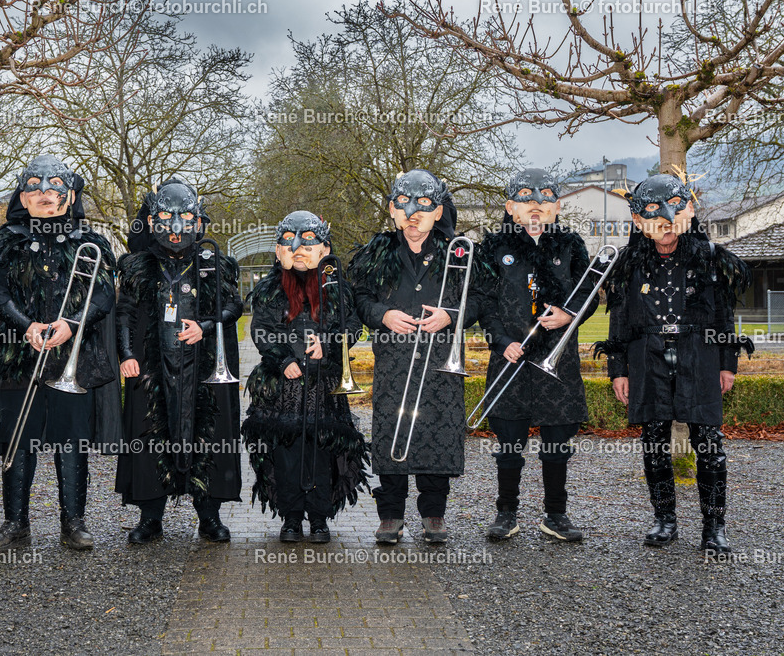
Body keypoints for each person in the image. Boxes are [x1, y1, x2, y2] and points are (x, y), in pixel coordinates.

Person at [595, 173, 752, 554]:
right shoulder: (628, 263)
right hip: (646, 355)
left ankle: (714, 527)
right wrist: (618, 369)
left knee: (709, 444)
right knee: (653, 442)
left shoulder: (710, 257)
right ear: (638, 221)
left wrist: (727, 364)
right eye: (653, 214)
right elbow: (619, 320)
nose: (665, 222)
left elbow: (724, 316)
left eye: (674, 211)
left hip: (699, 353)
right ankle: (664, 520)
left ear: (690, 210)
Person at [0, 154, 119, 553]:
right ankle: (15, 523)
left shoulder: (91, 243)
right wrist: (27, 325)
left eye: (54, 187)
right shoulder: (4, 240)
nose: (44, 193)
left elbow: (104, 295)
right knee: (18, 439)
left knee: (71, 439)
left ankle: (73, 522)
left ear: (69, 196)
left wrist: (72, 323)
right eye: (34, 187)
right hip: (18, 357)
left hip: (72, 356)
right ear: (23, 196)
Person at [349, 169, 482, 544]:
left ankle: (433, 515)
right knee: (390, 432)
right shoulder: (376, 253)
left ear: (438, 212)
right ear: (392, 209)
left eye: (423, 205)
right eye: (404, 205)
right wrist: (383, 315)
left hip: (441, 362)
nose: (413, 214)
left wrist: (451, 316)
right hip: (394, 361)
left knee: (437, 433)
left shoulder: (459, 252)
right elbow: (360, 298)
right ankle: (390, 516)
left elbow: (481, 299)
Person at [115, 178, 243, 543]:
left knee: (209, 436)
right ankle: (150, 518)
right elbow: (124, 312)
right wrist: (126, 353)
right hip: (151, 367)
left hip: (204, 367)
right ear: (152, 221)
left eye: (185, 217)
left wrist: (206, 326)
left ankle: (209, 517)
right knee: (149, 436)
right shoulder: (137, 265)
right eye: (166, 218)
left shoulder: (214, 262)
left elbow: (234, 305)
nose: (175, 227)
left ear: (198, 221)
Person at [476, 168, 598, 543]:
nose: (536, 205)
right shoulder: (493, 247)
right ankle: (506, 513)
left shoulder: (571, 244)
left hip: (557, 360)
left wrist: (569, 313)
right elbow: (483, 302)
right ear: (510, 207)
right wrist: (501, 341)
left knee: (557, 445)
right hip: (510, 357)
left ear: (557, 207)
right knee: (509, 445)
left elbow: (589, 290)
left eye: (545, 198)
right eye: (526, 198)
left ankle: (556, 515)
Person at [242, 211, 369, 543]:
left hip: (323, 386)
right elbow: (262, 330)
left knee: (322, 452)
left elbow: (353, 327)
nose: (298, 250)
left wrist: (328, 344)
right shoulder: (270, 287)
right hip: (283, 388)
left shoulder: (336, 286)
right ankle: (292, 518)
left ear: (325, 248)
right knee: (287, 454)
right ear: (279, 249)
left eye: (308, 243)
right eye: (289, 243)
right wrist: (283, 359)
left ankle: (319, 518)